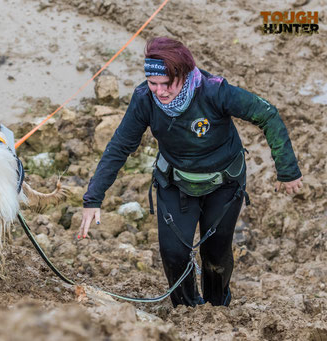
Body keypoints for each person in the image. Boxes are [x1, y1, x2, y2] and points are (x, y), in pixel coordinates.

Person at [78, 37, 303, 307]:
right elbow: (119, 147)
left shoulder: (214, 91)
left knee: (215, 256)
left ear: (183, 75)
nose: (159, 92)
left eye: (167, 84)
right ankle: (186, 311)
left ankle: (218, 307)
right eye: (153, 83)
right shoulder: (143, 100)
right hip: (176, 182)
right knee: (174, 253)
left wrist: (287, 170)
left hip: (224, 185)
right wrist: (93, 198)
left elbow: (267, 114)